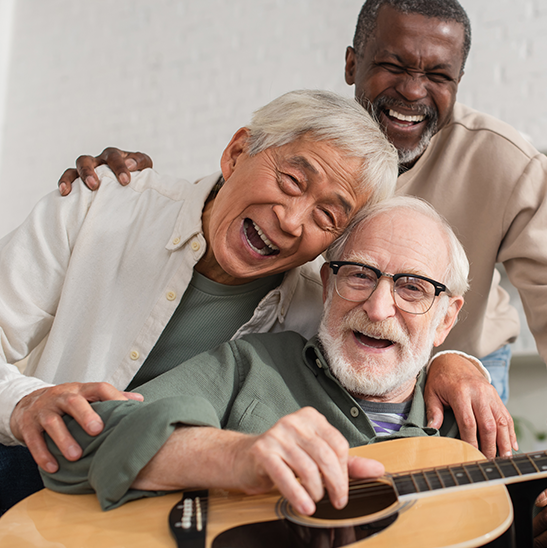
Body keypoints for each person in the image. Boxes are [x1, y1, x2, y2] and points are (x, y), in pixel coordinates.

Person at [60, 0, 547, 540]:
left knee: (461, 525)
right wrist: (143, 196)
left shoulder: (504, 162)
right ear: (352, 63)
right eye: (392, 65)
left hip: (452, 366)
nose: (412, 91)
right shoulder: (317, 147)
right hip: (327, 356)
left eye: (438, 76)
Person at [40, 198, 547, 548]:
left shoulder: (479, 437)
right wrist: (236, 457)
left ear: (446, 316)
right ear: (327, 283)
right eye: (359, 275)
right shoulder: (252, 365)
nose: (379, 305)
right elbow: (95, 436)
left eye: (412, 288)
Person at [0, 89, 512, 514]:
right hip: (29, 458)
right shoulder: (99, 206)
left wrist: (453, 362)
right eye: (291, 181)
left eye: (327, 216)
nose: (291, 221)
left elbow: (386, 337)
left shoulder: (317, 307)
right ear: (236, 152)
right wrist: (23, 402)